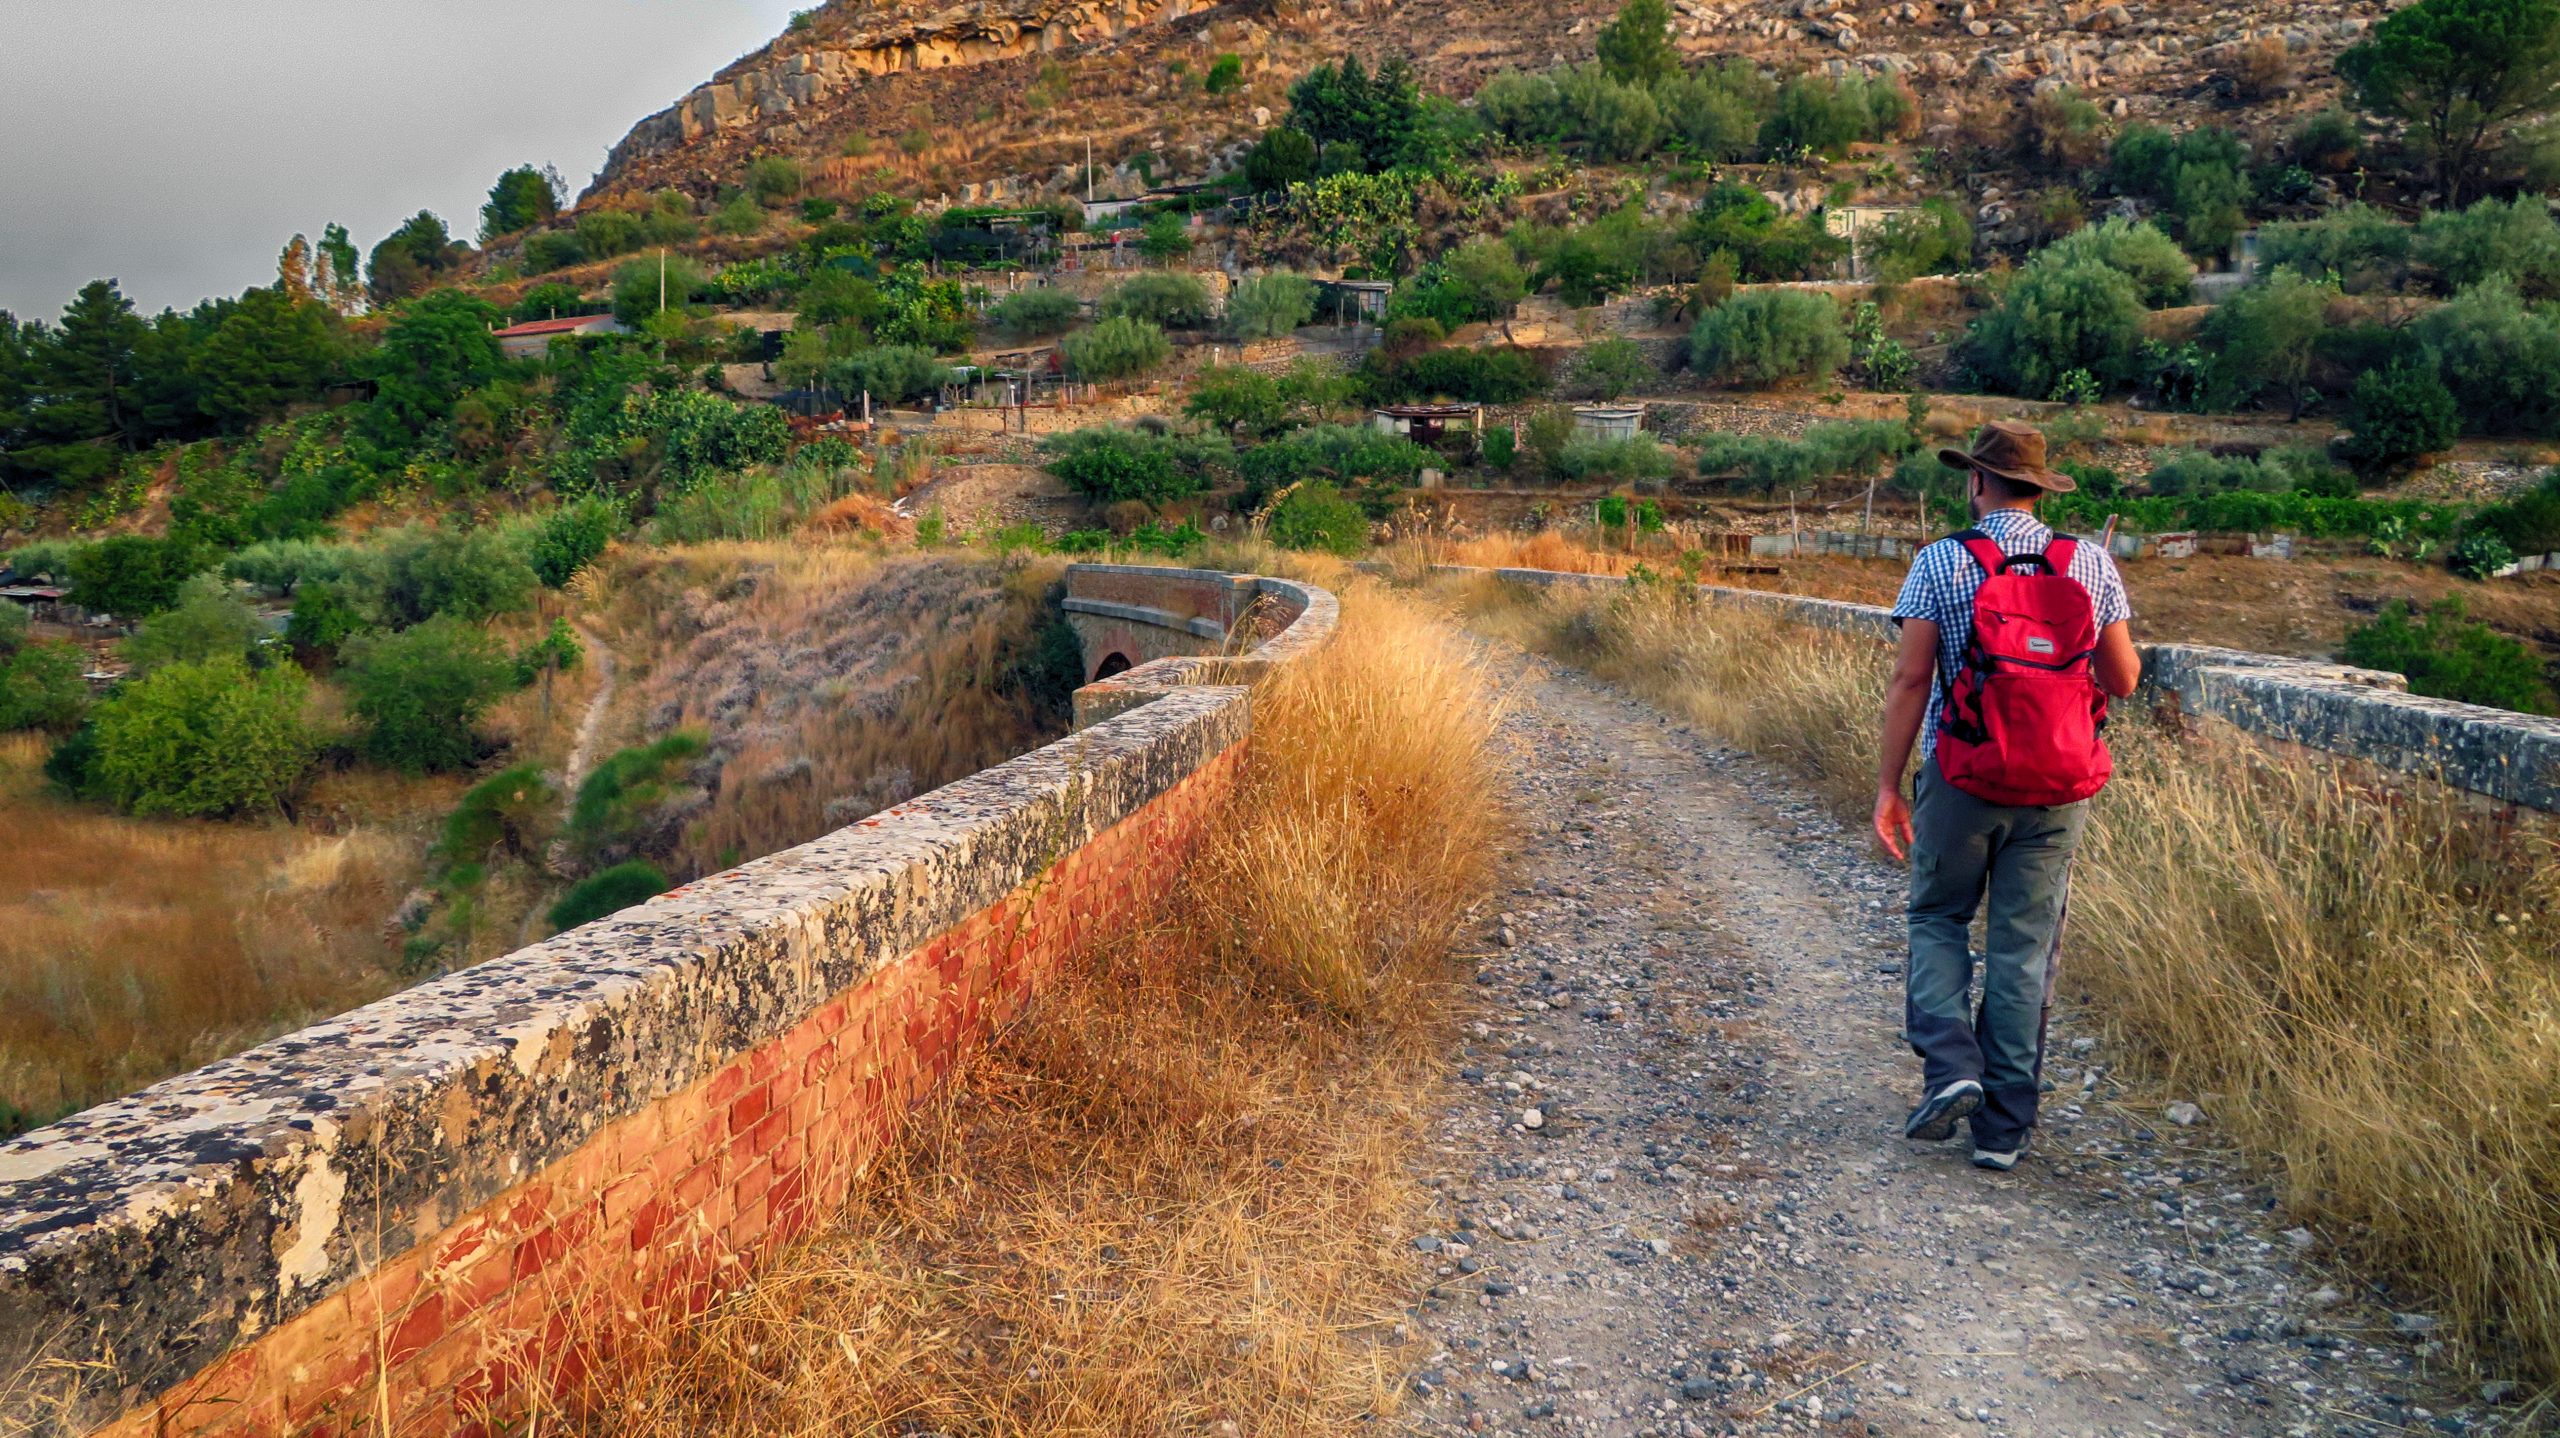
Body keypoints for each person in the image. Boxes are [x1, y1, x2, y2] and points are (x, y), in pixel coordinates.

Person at [1872, 421, 2142, 1171]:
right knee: (2023, 948)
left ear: (1975, 482)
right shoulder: (2087, 562)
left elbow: (1911, 680)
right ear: (2041, 488)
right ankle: (2003, 1131)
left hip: (1962, 781)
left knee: (1937, 916)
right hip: (2057, 790)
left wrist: (1890, 787)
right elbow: (2123, 681)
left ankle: (1952, 1066)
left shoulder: (1941, 561)